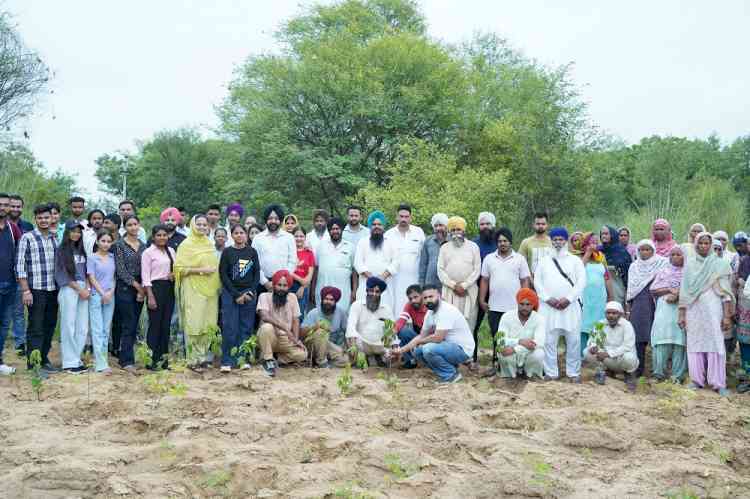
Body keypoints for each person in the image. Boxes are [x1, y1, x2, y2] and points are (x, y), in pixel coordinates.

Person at [678, 232, 733, 396]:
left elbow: (726, 293)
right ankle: (696, 380)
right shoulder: (689, 266)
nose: (703, 246)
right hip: (694, 311)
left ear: (712, 245)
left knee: (716, 342)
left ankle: (718, 383)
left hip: (713, 310)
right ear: (695, 244)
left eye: (706, 243)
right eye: (700, 243)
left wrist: (727, 316)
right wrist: (681, 315)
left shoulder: (719, 265)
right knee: (695, 343)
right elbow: (684, 292)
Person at [535, 227, 586, 383]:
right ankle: (551, 372)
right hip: (549, 307)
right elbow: (537, 282)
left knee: (573, 340)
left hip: (570, 307)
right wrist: (547, 298)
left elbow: (581, 282)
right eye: (555, 239)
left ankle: (573, 372)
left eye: (561, 239)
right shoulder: (543, 261)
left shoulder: (575, 261)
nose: (558, 242)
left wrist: (568, 299)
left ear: (566, 241)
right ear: (551, 241)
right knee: (549, 341)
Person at [395, 285, 475, 384]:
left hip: (462, 349)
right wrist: (400, 350)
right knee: (417, 352)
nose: (428, 300)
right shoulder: (430, 313)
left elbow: (438, 338)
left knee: (428, 349)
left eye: (431, 297)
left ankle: (451, 375)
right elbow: (421, 335)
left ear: (439, 296)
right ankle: (450, 368)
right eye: (425, 298)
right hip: (448, 347)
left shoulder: (445, 310)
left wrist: (419, 342)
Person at [479, 227, 531, 368]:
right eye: (500, 241)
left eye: (505, 241)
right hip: (494, 306)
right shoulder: (489, 259)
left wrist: (525, 301)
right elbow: (484, 280)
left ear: (511, 242)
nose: (502, 243)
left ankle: (517, 363)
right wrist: (482, 300)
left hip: (515, 306)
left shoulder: (519, 259)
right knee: (498, 336)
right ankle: (498, 363)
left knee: (515, 336)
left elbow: (525, 280)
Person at [174, 214, 221, 370]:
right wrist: (201, 270)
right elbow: (178, 269)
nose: (202, 227)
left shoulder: (209, 243)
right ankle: (192, 359)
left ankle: (203, 357)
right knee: (194, 322)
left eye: (204, 224)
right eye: (198, 224)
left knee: (208, 323)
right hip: (193, 288)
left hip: (210, 289)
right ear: (193, 225)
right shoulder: (186, 245)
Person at [16, 204, 59, 373]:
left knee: (50, 325)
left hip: (53, 289)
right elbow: (20, 266)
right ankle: (33, 364)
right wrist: (26, 290)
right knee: (36, 326)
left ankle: (44, 358)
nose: (43, 220)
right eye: (40, 218)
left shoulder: (55, 239)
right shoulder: (27, 237)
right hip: (35, 289)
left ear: (52, 218)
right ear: (36, 219)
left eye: (46, 217)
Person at [218, 224, 260, 371]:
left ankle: (243, 360)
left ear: (246, 235)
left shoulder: (252, 252)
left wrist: (249, 293)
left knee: (246, 327)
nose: (239, 235)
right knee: (230, 327)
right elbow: (223, 275)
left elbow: (256, 275)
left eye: (242, 232)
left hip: (248, 294)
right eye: (236, 233)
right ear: (232, 235)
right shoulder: (227, 252)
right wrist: (236, 295)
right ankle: (227, 361)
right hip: (230, 294)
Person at [626, 239, 667, 378]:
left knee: (660, 337)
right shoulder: (634, 266)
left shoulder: (662, 263)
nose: (644, 252)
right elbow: (630, 289)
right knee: (639, 337)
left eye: (647, 249)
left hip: (659, 302)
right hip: (640, 303)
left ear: (653, 250)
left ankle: (659, 370)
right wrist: (628, 308)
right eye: (641, 249)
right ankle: (638, 368)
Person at [257, 270, 307, 377]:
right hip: (270, 337)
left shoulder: (292, 297)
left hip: (285, 339)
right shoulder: (264, 296)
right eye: (279, 285)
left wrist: (296, 339)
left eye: (285, 285)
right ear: (274, 285)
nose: (281, 288)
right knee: (266, 327)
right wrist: (284, 328)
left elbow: (296, 320)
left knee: (302, 354)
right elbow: (264, 316)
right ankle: (268, 360)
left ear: (288, 287)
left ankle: (277, 358)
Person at [55, 221, 89, 374]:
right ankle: (69, 362)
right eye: (73, 231)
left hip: (83, 288)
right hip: (69, 288)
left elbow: (87, 271)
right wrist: (79, 289)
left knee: (82, 326)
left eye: (78, 232)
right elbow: (62, 274)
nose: (76, 234)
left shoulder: (81, 250)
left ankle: (77, 359)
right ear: (67, 232)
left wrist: (86, 288)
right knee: (68, 325)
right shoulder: (61, 250)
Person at [649, 246, 687, 383]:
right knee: (662, 339)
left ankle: (677, 376)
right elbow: (653, 289)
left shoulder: (689, 272)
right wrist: (669, 289)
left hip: (682, 310)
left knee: (680, 341)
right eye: (673, 254)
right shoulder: (663, 271)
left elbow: (693, 289)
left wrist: (678, 294)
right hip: (664, 309)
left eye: (679, 254)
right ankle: (658, 373)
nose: (676, 257)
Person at [141, 225, 177, 370]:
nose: (162, 237)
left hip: (169, 288)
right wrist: (150, 296)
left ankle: (164, 360)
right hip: (155, 289)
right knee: (155, 325)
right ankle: (151, 360)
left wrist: (174, 274)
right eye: (159, 235)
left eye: (164, 235)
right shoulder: (148, 253)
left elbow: (176, 268)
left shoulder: (171, 251)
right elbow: (145, 276)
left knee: (165, 325)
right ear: (153, 236)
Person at [581, 301, 638, 391]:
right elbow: (592, 340)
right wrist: (593, 346)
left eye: (614, 313)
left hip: (620, 358)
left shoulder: (627, 325)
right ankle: (604, 371)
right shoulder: (600, 324)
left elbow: (627, 346)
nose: (611, 315)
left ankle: (629, 376)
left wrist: (608, 354)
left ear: (620, 314)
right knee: (586, 352)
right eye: (608, 313)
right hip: (605, 358)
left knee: (629, 357)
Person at [114, 215, 146, 373]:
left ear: (139, 226)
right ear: (124, 227)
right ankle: (126, 360)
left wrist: (143, 290)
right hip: (125, 288)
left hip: (140, 289)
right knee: (129, 323)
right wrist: (137, 286)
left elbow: (147, 268)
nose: (133, 227)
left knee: (134, 324)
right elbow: (120, 270)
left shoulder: (144, 246)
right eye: (129, 225)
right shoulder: (119, 245)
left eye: (135, 224)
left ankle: (126, 356)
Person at [438, 216, 481, 330]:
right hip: (449, 292)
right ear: (449, 232)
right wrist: (453, 285)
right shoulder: (444, 248)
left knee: (468, 325)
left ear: (464, 231)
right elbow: (440, 270)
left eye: (458, 230)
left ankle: (468, 348)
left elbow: (477, 270)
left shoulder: (473, 247)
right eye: (453, 230)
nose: (456, 233)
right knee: (449, 325)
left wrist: (464, 285)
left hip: (468, 292)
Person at [576, 233, 613, 357]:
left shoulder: (601, 257)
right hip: (584, 298)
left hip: (599, 298)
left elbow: (607, 277)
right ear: (585, 243)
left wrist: (611, 297)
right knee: (583, 325)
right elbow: (578, 270)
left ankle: (596, 356)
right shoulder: (578, 257)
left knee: (599, 324)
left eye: (596, 243)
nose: (594, 245)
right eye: (591, 242)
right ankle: (581, 356)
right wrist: (587, 253)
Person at [354, 211, 398, 314]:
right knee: (363, 312)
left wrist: (382, 277)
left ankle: (388, 331)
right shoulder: (363, 242)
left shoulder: (391, 242)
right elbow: (358, 263)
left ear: (383, 226)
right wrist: (372, 279)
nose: (376, 227)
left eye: (379, 224)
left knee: (386, 313)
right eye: (374, 224)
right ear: (370, 226)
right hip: (366, 285)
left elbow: (396, 262)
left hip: (385, 285)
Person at [496, 289, 546, 380]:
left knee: (539, 354)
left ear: (533, 305)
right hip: (511, 352)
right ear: (517, 303)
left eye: (528, 304)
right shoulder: (506, 316)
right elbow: (500, 340)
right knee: (502, 351)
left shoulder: (539, 319)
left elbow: (539, 342)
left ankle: (531, 377)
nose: (524, 307)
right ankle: (509, 377)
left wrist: (515, 349)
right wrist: (519, 341)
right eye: (521, 304)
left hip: (527, 353)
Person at [385, 204, 425, 316]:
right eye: (401, 216)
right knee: (395, 310)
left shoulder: (419, 232)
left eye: (406, 217)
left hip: (414, 280)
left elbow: (424, 255)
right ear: (396, 217)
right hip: (394, 281)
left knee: (415, 310)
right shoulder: (388, 235)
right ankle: (396, 332)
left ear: (410, 217)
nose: (403, 219)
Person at [346, 276, 393, 366]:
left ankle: (375, 358)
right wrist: (352, 346)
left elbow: (390, 332)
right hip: (361, 344)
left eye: (377, 292)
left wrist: (389, 350)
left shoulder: (387, 309)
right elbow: (350, 327)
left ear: (381, 293)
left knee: (390, 356)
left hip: (379, 346)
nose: (374, 294)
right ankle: (365, 358)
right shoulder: (356, 305)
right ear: (367, 291)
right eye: (371, 291)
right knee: (351, 338)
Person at [87, 229, 116, 374]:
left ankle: (103, 358)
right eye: (103, 241)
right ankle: (100, 363)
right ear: (97, 241)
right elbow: (91, 278)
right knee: (97, 329)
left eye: (109, 241)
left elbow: (114, 278)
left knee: (106, 329)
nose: (105, 244)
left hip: (110, 295)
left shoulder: (112, 257)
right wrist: (102, 293)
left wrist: (110, 292)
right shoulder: (92, 258)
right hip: (96, 295)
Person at [252, 204, 297, 294]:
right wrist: (265, 282)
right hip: (263, 284)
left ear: (280, 220)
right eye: (270, 218)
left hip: (283, 284)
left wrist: (283, 280)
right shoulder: (258, 238)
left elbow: (292, 261)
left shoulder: (289, 238)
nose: (273, 221)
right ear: (266, 220)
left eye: (276, 219)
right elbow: (254, 262)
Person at [312, 217, 356, 307]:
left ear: (342, 230)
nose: (335, 231)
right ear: (328, 231)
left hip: (344, 292)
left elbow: (354, 272)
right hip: (322, 290)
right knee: (322, 318)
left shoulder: (351, 247)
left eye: (337, 229)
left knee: (342, 317)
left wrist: (354, 291)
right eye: (332, 229)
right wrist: (312, 290)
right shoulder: (321, 246)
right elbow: (316, 269)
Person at [300, 286, 348, 368]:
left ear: (335, 301)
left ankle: (320, 363)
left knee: (347, 360)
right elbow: (301, 334)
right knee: (321, 332)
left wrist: (348, 347)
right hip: (313, 347)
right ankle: (321, 362)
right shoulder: (314, 312)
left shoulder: (341, 312)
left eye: (331, 300)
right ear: (322, 299)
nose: (328, 302)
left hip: (330, 347)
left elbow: (347, 331)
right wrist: (316, 327)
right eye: (326, 299)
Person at [0, 193, 19, 375]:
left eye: (6, 205)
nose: (3, 207)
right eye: (0, 204)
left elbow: (19, 255)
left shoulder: (13, 229)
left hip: (10, 284)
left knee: (5, 324)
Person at [473, 212, 498, 351]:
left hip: (496, 291)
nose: (485, 227)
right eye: (482, 224)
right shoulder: (473, 243)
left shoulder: (500, 243)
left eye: (488, 224)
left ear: (493, 225)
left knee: (497, 327)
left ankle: (498, 358)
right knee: (473, 325)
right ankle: (473, 358)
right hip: (477, 291)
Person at [393, 284, 428, 368]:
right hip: (418, 335)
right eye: (410, 298)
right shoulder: (409, 305)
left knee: (402, 344)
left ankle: (425, 360)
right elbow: (401, 320)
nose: (413, 300)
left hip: (431, 337)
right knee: (402, 332)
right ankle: (412, 361)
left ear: (422, 295)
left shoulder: (429, 305)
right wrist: (392, 332)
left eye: (416, 297)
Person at [599, 226, 632, 305]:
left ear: (612, 235)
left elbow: (628, 272)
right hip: (599, 288)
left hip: (617, 287)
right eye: (602, 234)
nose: (603, 236)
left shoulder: (621, 251)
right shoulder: (598, 251)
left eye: (606, 234)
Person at [518, 212, 553, 278]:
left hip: (550, 280)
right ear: (533, 225)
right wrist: (529, 278)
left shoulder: (552, 242)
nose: (540, 226)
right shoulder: (526, 242)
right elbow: (520, 264)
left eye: (543, 224)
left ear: (547, 225)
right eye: (538, 224)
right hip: (531, 280)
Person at [418, 213, 448, 288]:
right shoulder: (428, 241)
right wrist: (421, 285)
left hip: (447, 285)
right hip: (430, 284)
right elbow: (423, 265)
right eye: (435, 226)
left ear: (446, 226)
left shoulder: (452, 241)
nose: (438, 228)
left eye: (441, 225)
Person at [291, 226, 315, 316]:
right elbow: (287, 270)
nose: (299, 239)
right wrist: (302, 281)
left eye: (301, 236)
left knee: (299, 314)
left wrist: (303, 286)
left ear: (305, 238)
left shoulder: (309, 253)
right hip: (289, 284)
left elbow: (310, 274)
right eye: (296, 236)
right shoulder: (289, 251)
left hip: (303, 287)